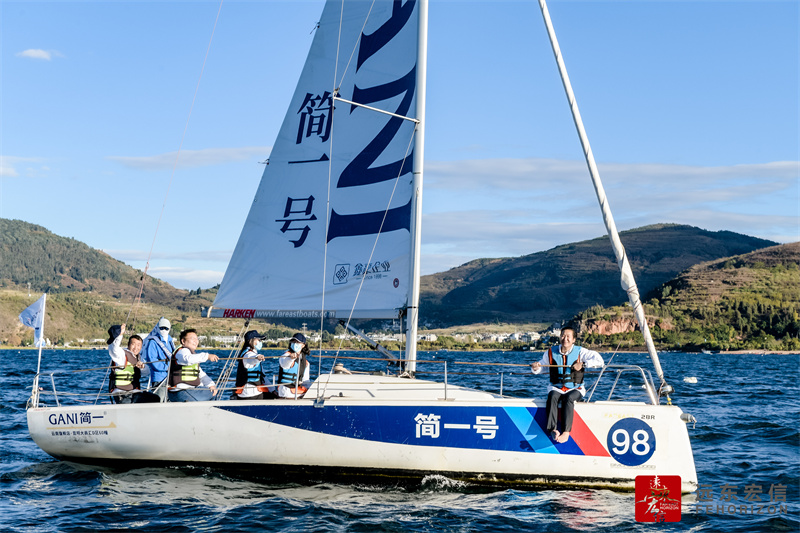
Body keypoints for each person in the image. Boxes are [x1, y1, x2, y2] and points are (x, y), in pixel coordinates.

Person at [530, 326, 604, 443]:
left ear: (574, 340)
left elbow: (599, 361)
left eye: (568, 336)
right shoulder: (550, 352)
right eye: (563, 336)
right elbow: (542, 368)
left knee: (568, 398)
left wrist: (583, 364)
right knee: (552, 396)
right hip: (556, 387)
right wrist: (536, 368)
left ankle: (566, 432)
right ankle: (552, 429)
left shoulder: (581, 352)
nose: (565, 339)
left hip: (576, 388)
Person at [168, 328, 220, 402]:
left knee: (211, 391)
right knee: (211, 394)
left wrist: (211, 384)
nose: (196, 341)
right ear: (183, 341)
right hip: (181, 392)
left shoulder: (192, 355)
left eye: (197, 339)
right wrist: (207, 356)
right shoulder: (182, 352)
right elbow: (187, 359)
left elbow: (201, 374)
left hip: (186, 391)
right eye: (193, 339)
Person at [106, 324, 145, 404]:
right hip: (121, 393)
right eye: (133, 344)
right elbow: (114, 350)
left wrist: (143, 367)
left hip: (134, 392)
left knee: (154, 399)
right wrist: (119, 335)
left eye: (138, 345)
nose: (136, 348)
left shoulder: (138, 357)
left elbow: (146, 371)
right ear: (128, 344)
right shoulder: (122, 355)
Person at [140, 317, 176, 400]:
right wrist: (166, 367)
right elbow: (152, 360)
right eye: (161, 328)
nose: (163, 330)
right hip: (159, 377)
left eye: (166, 328)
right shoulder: (153, 342)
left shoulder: (171, 341)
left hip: (171, 377)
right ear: (158, 328)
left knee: (170, 400)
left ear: (169, 329)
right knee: (159, 400)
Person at [233, 330, 272, 400]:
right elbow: (251, 358)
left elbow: (263, 376)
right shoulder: (248, 354)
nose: (260, 342)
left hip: (256, 391)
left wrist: (272, 389)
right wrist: (258, 358)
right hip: (249, 393)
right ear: (251, 341)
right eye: (258, 340)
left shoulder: (251, 353)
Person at [277, 333, 311, 399]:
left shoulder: (306, 362)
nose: (295, 344)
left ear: (303, 345)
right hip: (286, 390)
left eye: (297, 342)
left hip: (297, 389)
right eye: (293, 341)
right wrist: (290, 359)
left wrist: (310, 391)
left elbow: (306, 380)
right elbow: (284, 364)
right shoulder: (286, 355)